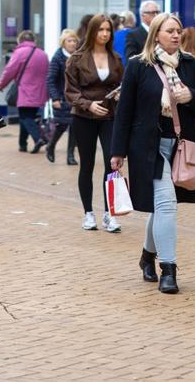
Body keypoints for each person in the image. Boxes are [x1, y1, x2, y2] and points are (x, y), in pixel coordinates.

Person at [111, 13, 195, 294]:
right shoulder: (138, 66)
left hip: (180, 145)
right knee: (166, 204)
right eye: (170, 31)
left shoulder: (190, 64)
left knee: (163, 206)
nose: (176, 35)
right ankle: (169, 269)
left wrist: (190, 96)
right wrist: (117, 151)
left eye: (179, 31)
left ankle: (147, 256)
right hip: (148, 147)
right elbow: (125, 111)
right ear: (156, 35)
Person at [65, 15, 125, 232]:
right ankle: (88, 213)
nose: (105, 33)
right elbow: (70, 91)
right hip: (84, 117)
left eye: (108, 30)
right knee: (87, 164)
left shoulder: (115, 58)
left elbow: (122, 84)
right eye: (100, 29)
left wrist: (120, 95)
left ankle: (110, 214)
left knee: (112, 163)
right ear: (92, 31)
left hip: (110, 116)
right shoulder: (77, 58)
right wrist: (88, 105)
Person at [0, 31, 49, 154]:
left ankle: (39, 139)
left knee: (25, 117)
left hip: (25, 91)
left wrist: (2, 85)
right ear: (34, 40)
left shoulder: (20, 52)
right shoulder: (43, 54)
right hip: (39, 92)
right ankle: (23, 145)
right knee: (27, 117)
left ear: (20, 40)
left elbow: (9, 70)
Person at [46, 29, 79, 165]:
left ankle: (70, 155)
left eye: (74, 41)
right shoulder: (58, 58)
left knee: (75, 127)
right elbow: (50, 80)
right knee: (61, 126)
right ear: (63, 43)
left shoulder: (79, 56)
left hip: (76, 98)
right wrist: (55, 98)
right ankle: (51, 146)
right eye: (69, 41)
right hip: (62, 98)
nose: (72, 43)